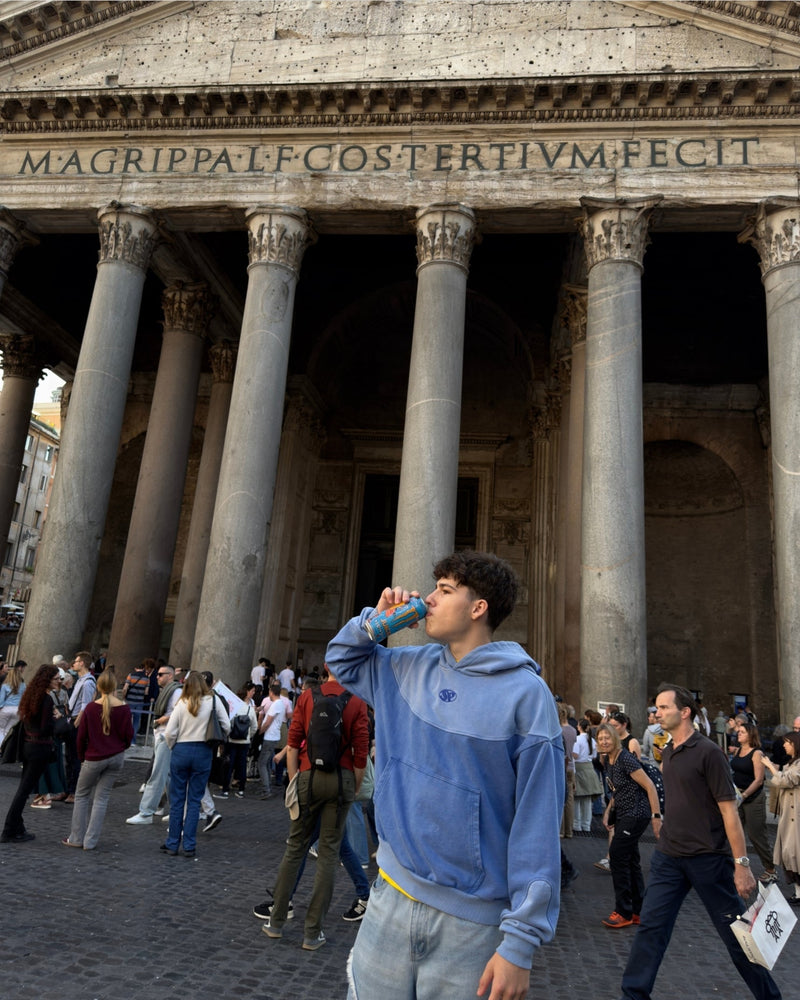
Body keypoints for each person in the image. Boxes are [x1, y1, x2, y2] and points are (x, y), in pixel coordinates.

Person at [326, 550, 564, 1000]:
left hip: (472, 925)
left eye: (445, 590)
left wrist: (520, 945)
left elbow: (537, 824)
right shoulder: (405, 666)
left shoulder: (527, 696)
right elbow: (341, 660)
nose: (428, 599)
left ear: (478, 608)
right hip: (390, 896)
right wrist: (376, 623)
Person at [617, 683, 782, 1000]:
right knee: (651, 928)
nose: (657, 713)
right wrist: (659, 817)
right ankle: (633, 995)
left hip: (709, 859)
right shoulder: (668, 751)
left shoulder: (709, 752)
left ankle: (770, 997)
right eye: (656, 707)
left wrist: (742, 865)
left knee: (738, 938)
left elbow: (729, 812)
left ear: (685, 712)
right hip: (668, 857)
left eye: (664, 707)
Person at [262, 664, 369, 951]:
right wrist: (354, 786)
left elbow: (293, 743)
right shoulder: (357, 700)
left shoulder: (308, 697)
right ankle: (312, 932)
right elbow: (361, 751)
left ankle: (275, 921)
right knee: (329, 853)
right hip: (342, 779)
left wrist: (295, 780)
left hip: (308, 777)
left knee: (295, 848)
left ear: (326, 668)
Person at [597, 723, 661, 928]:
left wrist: (656, 816)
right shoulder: (608, 760)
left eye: (607, 738)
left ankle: (623, 911)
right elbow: (617, 790)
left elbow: (650, 786)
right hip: (624, 813)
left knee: (617, 855)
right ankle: (637, 911)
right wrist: (608, 811)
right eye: (600, 738)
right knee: (631, 860)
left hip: (636, 814)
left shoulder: (625, 758)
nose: (604, 742)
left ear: (615, 738)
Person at [62, 668, 133, 850]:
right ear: (115, 686)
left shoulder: (91, 708)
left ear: (99, 687)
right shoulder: (124, 708)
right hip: (116, 757)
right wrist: (120, 748)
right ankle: (90, 841)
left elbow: (81, 737)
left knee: (81, 795)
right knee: (101, 799)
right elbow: (128, 735)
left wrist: (82, 757)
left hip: (93, 757)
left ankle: (76, 838)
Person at [162, 671, 230, 858]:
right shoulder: (213, 701)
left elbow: (169, 733)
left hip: (181, 749)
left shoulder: (181, 703)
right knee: (194, 801)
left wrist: (174, 746)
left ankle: (172, 843)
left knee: (177, 800)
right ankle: (189, 845)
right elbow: (227, 725)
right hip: (203, 751)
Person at [1, 664, 59, 843]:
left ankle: (17, 827)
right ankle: (10, 829)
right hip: (39, 748)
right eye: (56, 679)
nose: (59, 681)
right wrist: (56, 719)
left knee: (24, 789)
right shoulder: (46, 699)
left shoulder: (31, 695)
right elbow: (45, 728)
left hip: (28, 745)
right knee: (24, 790)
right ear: (47, 680)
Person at [126, 664, 182, 824]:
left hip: (166, 736)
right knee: (168, 777)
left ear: (170, 675)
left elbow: (178, 712)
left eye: (161, 674)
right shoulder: (169, 690)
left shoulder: (176, 692)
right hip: (163, 735)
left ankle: (146, 812)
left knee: (157, 775)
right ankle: (178, 810)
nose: (157, 677)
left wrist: (161, 720)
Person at [731, 722, 777, 884]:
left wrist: (744, 795)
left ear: (751, 735)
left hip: (753, 797)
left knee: (756, 834)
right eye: (738, 731)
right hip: (738, 796)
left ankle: (770, 869)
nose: (739, 733)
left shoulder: (757, 753)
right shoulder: (737, 750)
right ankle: (736, 866)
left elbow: (758, 780)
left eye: (742, 732)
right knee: (734, 832)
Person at [763, 731, 800, 906]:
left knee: (794, 854)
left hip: (796, 817)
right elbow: (778, 782)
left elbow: (786, 781)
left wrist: (771, 767)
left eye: (787, 742)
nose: (784, 745)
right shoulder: (790, 764)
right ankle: (798, 892)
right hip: (788, 816)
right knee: (789, 855)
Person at [64, 652, 97, 801]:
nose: (74, 664)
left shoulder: (88, 682)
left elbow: (86, 706)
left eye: (76, 661)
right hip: (72, 720)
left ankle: (73, 791)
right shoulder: (80, 680)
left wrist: (76, 724)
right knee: (69, 757)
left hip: (76, 722)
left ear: (82, 663)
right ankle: (66, 789)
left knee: (75, 758)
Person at [217, 682, 258, 798]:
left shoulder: (233, 708)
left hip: (232, 740)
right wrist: (249, 735)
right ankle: (241, 790)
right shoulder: (250, 709)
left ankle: (225, 789)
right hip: (244, 741)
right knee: (242, 765)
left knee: (229, 765)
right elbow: (254, 727)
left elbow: (228, 723)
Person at [256, 680, 287, 800]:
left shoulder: (276, 704)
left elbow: (268, 721)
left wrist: (260, 732)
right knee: (267, 763)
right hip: (274, 736)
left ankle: (266, 789)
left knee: (262, 763)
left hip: (270, 736)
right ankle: (267, 786)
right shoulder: (280, 704)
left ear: (271, 692)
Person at [573, 717, 603, 833]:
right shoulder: (592, 740)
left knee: (577, 799)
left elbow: (575, 755)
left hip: (579, 768)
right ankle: (586, 825)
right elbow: (595, 756)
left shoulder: (577, 739)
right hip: (590, 769)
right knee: (587, 800)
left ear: (579, 727)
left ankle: (577, 824)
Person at [121, 658, 152, 746]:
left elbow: (125, 688)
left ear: (136, 668)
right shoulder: (147, 678)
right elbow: (146, 692)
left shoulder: (131, 675)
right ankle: (133, 741)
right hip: (140, 702)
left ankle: (125, 739)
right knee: (136, 722)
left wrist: (124, 697)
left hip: (130, 701)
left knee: (127, 721)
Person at [559, 702, 576, 839]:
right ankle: (569, 831)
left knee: (560, 798)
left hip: (561, 767)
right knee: (569, 800)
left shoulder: (558, 731)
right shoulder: (572, 730)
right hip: (571, 766)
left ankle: (560, 830)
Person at [0, 660, 26, 745]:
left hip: (6, 709)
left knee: (1, 730)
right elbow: (24, 698)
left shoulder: (5, 685)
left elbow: (1, 701)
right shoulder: (23, 685)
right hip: (17, 710)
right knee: (8, 731)